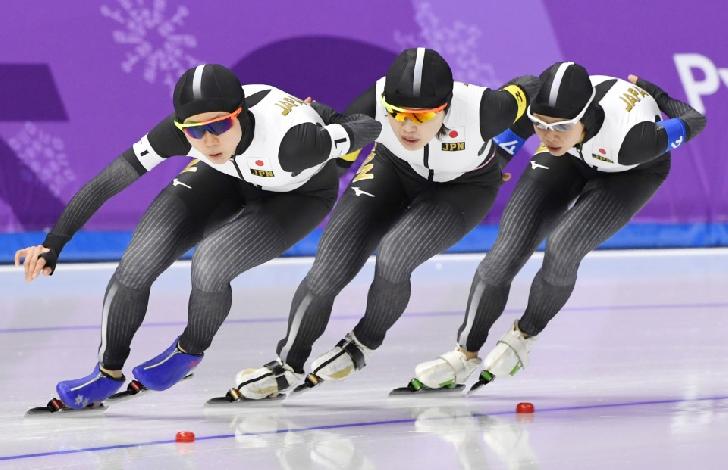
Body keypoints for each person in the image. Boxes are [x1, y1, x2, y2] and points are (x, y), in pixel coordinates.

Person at [15, 64, 381, 411]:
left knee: (210, 263)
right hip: (226, 175)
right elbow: (109, 181)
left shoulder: (294, 142)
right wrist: (54, 242)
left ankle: (189, 350)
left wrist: (330, 122)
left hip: (295, 196)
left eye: (219, 126)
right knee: (136, 262)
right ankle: (105, 372)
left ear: (238, 114)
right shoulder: (187, 136)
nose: (207, 139)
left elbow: (368, 126)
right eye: (194, 131)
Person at [223, 48, 539, 402]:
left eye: (421, 117)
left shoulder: (485, 108)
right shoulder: (373, 101)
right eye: (397, 114)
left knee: (394, 256)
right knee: (329, 264)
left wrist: (505, 150)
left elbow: (533, 88)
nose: (406, 126)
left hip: (464, 188)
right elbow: (334, 164)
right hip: (392, 171)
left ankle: (364, 341)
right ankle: (288, 363)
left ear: (446, 107)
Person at [406, 61, 707, 393]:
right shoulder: (545, 121)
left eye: (560, 126)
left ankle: (524, 336)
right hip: (570, 158)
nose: (548, 135)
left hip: (630, 172)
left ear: (583, 117)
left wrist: (658, 94)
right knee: (506, 249)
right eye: (540, 125)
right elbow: (508, 138)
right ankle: (464, 353)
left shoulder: (634, 140)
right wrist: (493, 167)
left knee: (564, 246)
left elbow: (696, 120)